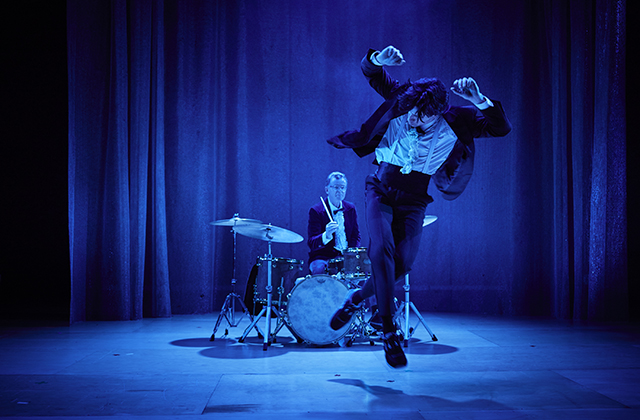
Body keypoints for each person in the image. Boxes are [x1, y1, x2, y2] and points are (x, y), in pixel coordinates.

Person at [327, 46, 512, 368]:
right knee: (379, 251)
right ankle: (388, 331)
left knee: (402, 265)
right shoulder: (403, 98)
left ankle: (355, 299)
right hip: (380, 188)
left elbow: (500, 128)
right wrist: (377, 61)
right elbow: (371, 73)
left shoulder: (459, 119)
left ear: (439, 111)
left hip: (415, 198)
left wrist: (480, 100)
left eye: (421, 114)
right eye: (410, 110)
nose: (413, 117)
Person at [307, 172, 361, 274]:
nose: (340, 191)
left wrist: (351, 253)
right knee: (319, 269)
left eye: (343, 187)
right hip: (323, 257)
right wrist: (326, 235)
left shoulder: (351, 208)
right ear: (327, 190)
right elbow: (311, 242)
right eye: (336, 187)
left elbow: (356, 235)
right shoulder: (316, 211)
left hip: (346, 256)